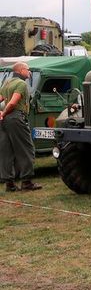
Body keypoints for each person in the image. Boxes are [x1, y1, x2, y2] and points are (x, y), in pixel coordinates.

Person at [0, 62, 42, 192]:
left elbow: (1, 98)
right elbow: (13, 102)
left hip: (5, 120)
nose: (29, 73)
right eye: (28, 70)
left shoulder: (6, 83)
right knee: (26, 149)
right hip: (16, 117)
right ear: (22, 70)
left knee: (6, 151)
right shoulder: (21, 84)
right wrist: (5, 112)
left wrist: (1, 114)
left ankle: (9, 184)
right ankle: (27, 182)